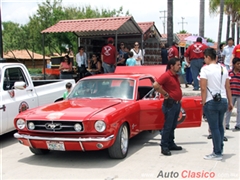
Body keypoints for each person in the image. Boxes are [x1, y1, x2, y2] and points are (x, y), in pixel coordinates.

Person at [200, 48, 233, 160]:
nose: (204, 60)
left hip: (211, 101)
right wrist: (230, 102)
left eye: (204, 57)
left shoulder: (205, 70)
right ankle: (220, 149)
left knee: (214, 128)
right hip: (223, 100)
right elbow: (228, 87)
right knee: (220, 126)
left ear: (208, 57)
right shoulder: (223, 68)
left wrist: (203, 102)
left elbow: (203, 88)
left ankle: (217, 152)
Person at [153, 57, 182, 156]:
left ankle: (171, 143)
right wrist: (165, 94)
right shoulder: (166, 75)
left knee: (173, 126)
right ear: (171, 66)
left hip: (176, 104)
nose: (180, 66)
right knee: (168, 126)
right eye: (178, 65)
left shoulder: (175, 76)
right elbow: (156, 85)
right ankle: (164, 146)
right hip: (170, 104)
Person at [225, 57, 240, 130]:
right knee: (228, 109)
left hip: (239, 94)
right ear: (234, 65)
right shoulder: (229, 73)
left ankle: (238, 124)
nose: (239, 65)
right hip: (231, 94)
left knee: (239, 111)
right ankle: (226, 124)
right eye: (238, 64)